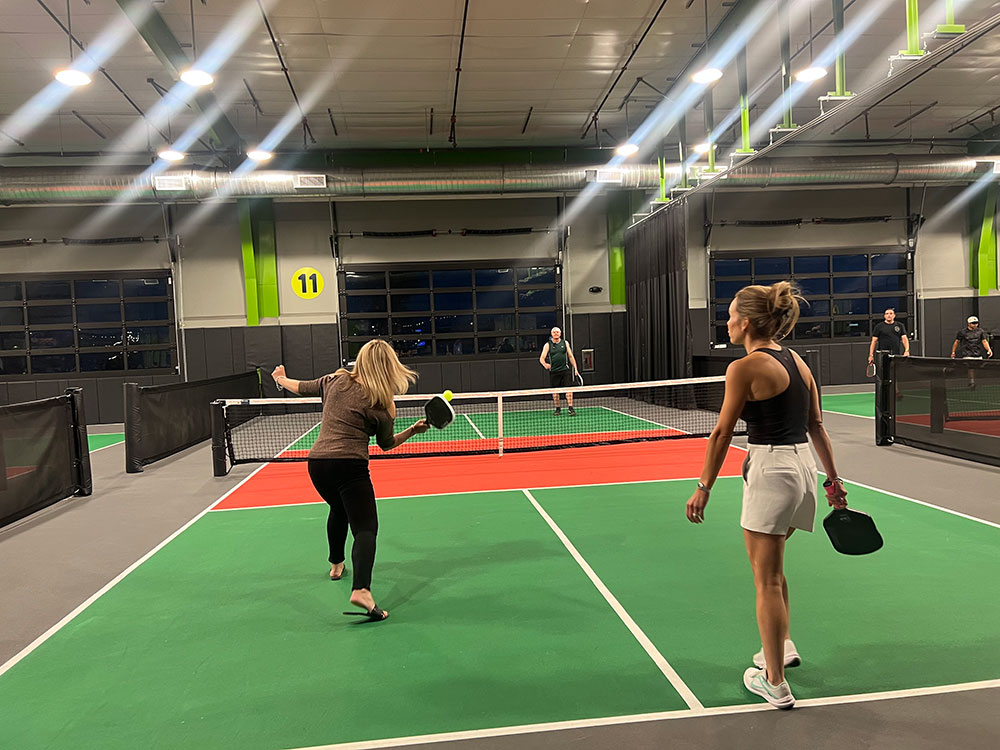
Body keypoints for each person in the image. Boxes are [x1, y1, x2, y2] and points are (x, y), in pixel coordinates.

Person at [685, 281, 849, 710]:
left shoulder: (744, 368)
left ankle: (774, 682)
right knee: (773, 569)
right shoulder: (797, 361)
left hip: (772, 471)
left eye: (730, 315)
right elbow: (817, 426)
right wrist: (833, 481)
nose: (726, 321)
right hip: (803, 470)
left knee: (766, 579)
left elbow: (721, 433)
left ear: (746, 322)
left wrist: (703, 487)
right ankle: (781, 645)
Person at [271, 339, 429, 622]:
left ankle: (336, 565)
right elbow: (386, 444)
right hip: (350, 466)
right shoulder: (383, 404)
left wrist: (280, 379)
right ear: (390, 367)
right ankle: (362, 590)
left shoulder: (335, 380)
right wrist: (413, 431)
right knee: (366, 528)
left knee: (338, 508)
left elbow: (301, 387)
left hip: (317, 465)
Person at [538, 326, 580, 416]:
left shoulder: (565, 343)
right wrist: (545, 364)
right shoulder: (547, 345)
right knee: (555, 391)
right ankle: (557, 408)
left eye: (557, 332)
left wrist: (576, 369)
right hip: (554, 371)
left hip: (565, 370)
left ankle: (570, 408)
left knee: (568, 390)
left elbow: (571, 356)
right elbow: (541, 358)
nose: (556, 333)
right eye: (554, 332)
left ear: (560, 334)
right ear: (551, 334)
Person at [951, 316, 993, 388]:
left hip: (978, 353)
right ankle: (972, 382)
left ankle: (974, 381)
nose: (975, 324)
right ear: (969, 324)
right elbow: (956, 342)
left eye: (976, 323)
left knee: (976, 368)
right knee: (971, 368)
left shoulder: (980, 331)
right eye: (973, 323)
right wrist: (953, 352)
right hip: (967, 354)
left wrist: (989, 350)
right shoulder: (962, 332)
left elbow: (984, 341)